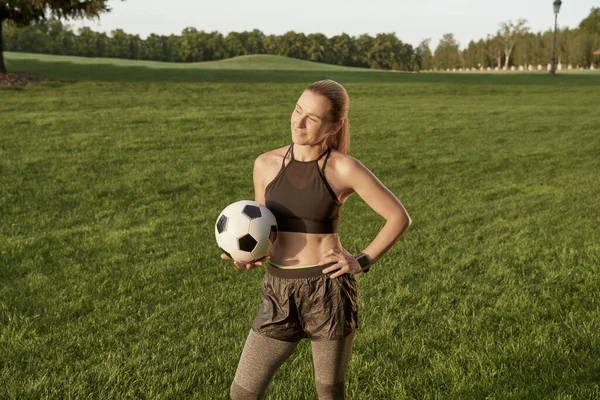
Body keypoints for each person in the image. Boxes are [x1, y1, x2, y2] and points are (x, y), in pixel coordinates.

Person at [223, 79, 411, 400]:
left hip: (327, 290)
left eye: (311, 118)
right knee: (243, 392)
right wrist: (251, 256)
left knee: (329, 394)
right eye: (297, 110)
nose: (298, 122)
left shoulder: (343, 169)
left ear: (332, 127)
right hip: (279, 292)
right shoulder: (265, 164)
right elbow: (264, 230)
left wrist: (361, 261)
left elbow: (398, 217)